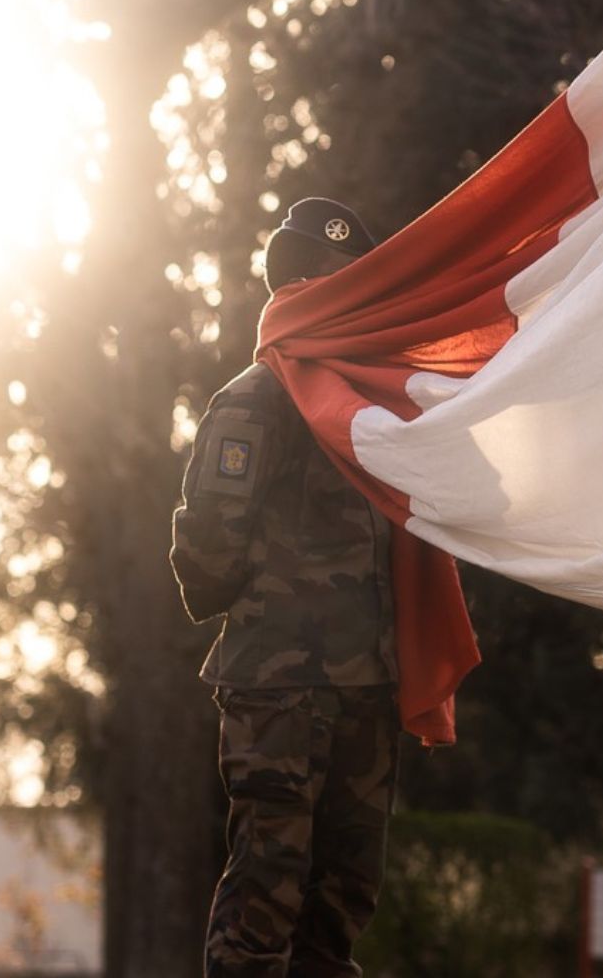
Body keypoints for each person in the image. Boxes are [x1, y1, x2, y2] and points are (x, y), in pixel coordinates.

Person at [169, 197, 398, 978]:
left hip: (366, 686)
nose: (352, 296)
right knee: (266, 897)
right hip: (279, 691)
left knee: (342, 903)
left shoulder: (374, 407)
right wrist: (275, 614)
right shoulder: (255, 399)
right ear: (298, 286)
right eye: (337, 280)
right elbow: (206, 543)